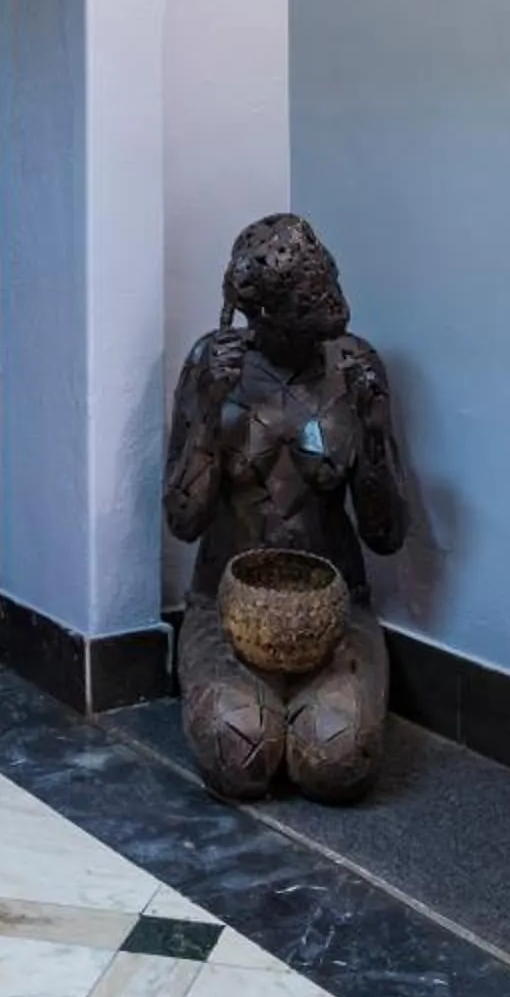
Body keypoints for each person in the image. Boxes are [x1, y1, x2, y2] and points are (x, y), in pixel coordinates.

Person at [163, 214, 408, 802]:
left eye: (331, 281)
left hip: (335, 613)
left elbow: (386, 534)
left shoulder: (354, 368)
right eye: (311, 297)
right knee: (240, 754)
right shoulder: (211, 364)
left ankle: (320, 706)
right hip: (225, 610)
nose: (333, 302)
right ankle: (244, 700)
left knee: (335, 763)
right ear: (266, 311)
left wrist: (373, 434)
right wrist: (206, 413)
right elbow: (183, 519)